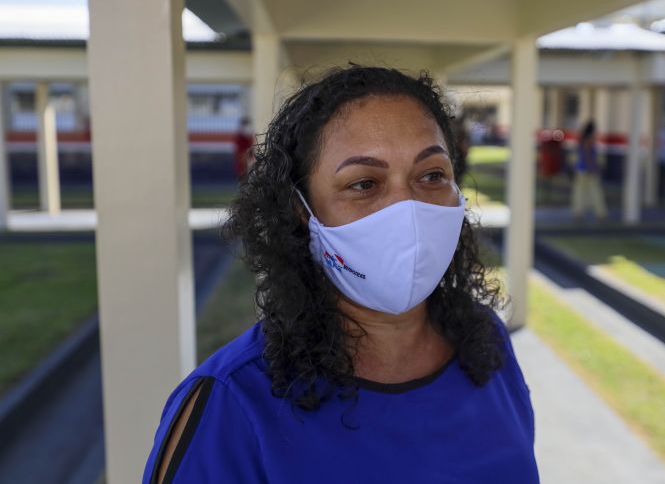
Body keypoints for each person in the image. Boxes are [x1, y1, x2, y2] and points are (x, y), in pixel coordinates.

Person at [142, 66, 540, 483]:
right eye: (365, 183)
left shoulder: (487, 344)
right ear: (302, 211)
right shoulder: (233, 406)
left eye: (432, 175)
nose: (407, 209)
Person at [570, 120, 607, 220]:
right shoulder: (589, 140)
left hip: (581, 169)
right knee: (595, 192)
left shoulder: (581, 140)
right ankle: (600, 213)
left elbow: (577, 155)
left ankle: (578, 212)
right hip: (589, 170)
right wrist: (594, 167)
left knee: (580, 192)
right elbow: (589, 156)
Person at [233, 116, 255, 180]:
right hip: (243, 164)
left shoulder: (248, 137)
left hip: (248, 163)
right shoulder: (240, 137)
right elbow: (241, 154)